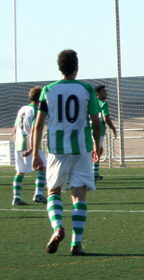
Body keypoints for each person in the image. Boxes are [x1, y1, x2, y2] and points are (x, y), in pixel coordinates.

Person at [30, 50, 102, 256]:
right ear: (76, 67)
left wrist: (36, 153)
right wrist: (97, 146)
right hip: (82, 149)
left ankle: (58, 227)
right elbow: (96, 123)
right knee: (79, 196)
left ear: (59, 68)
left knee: (53, 191)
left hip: (57, 149)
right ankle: (76, 244)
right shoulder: (87, 89)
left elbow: (38, 125)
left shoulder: (48, 90)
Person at [11, 86, 46, 205]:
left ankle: (16, 198)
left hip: (19, 143)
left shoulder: (22, 109)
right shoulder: (36, 110)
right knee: (43, 167)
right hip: (31, 142)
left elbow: (14, 130)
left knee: (20, 171)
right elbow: (34, 129)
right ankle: (38, 194)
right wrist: (32, 148)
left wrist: (17, 145)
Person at [92, 85, 117, 181]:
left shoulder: (91, 103)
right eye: (104, 92)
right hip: (98, 130)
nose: (106, 93)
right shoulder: (103, 104)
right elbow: (105, 118)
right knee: (96, 151)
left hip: (87, 130)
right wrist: (113, 128)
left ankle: (94, 172)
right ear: (98, 94)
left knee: (98, 150)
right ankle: (94, 174)